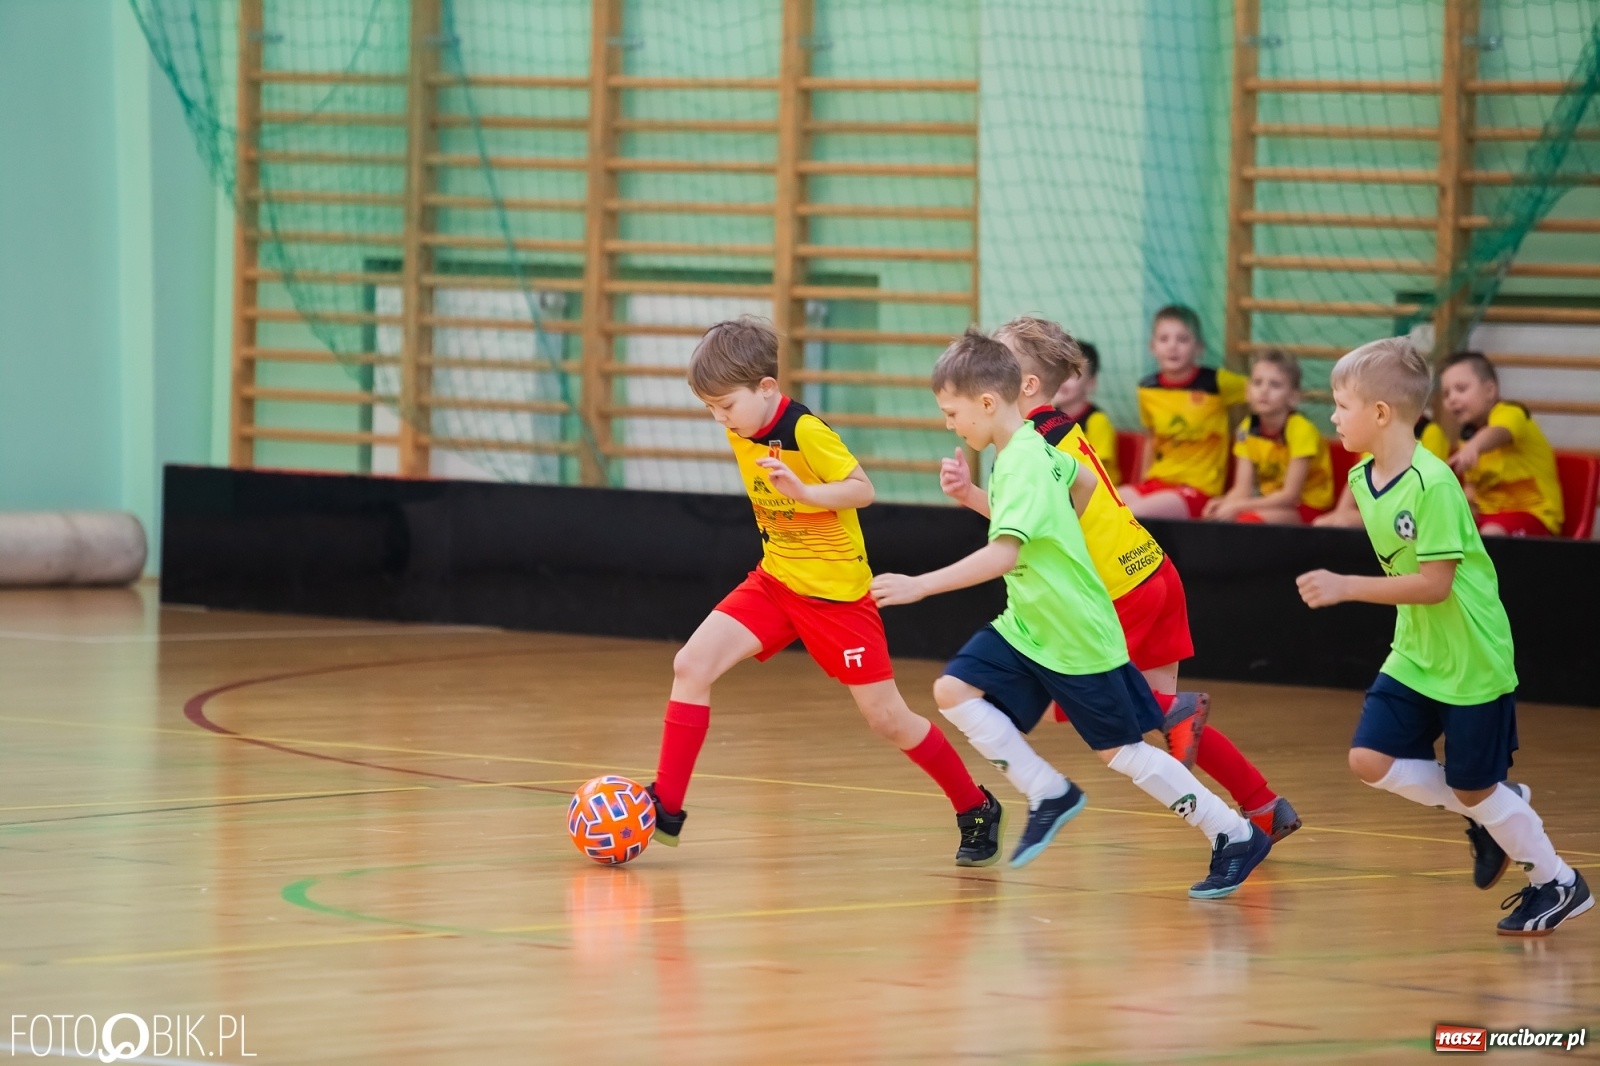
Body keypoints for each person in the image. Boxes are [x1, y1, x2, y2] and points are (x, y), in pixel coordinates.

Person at [873, 327, 1272, 898]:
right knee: (953, 691)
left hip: (1076, 628)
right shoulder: (1034, 447)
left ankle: (1231, 832)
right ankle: (1048, 790)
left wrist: (919, 586)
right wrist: (1047, 533)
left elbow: (1006, 549)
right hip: (1031, 623)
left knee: (1124, 752)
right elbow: (1083, 486)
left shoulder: (1026, 457)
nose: (948, 425)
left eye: (950, 412)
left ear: (994, 398)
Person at [648, 316, 1005, 865]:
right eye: (710, 409)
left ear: (767, 389)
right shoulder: (741, 426)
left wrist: (804, 490)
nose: (719, 419)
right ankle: (665, 808)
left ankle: (974, 805)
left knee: (887, 719)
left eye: (725, 406)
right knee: (690, 665)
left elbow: (863, 489)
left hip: (838, 600)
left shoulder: (804, 431)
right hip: (775, 582)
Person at [1297, 336, 1590, 935]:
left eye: (1341, 403)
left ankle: (1556, 880)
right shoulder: (1361, 478)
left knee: (1473, 786)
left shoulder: (1433, 485)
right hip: (1415, 651)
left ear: (1380, 413)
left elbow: (1433, 584)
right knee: (1369, 759)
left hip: (1470, 657)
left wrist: (1345, 586)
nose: (1332, 415)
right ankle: (1502, 808)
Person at [1119, 305, 1247, 520]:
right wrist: (1141, 483)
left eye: (1183, 339)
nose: (1172, 347)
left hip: (1198, 489)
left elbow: (1265, 394)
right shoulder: (1147, 389)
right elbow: (1151, 439)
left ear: (1198, 348)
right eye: (1164, 339)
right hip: (1157, 482)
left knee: (1129, 516)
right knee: (1095, 504)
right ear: (1153, 347)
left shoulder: (1217, 382)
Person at [1439, 350, 1564, 537]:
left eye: (1461, 389)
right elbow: (1474, 485)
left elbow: (1499, 432)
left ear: (1490, 390)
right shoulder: (1467, 434)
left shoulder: (1512, 412)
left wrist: (1475, 446)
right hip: (1489, 515)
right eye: (1446, 394)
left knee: (1491, 534)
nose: (1452, 399)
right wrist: (1467, 503)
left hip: (1534, 514)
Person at [1204, 349, 1334, 525]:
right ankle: (1159, 554)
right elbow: (1242, 489)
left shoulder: (1301, 430)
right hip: (1270, 502)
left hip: (1306, 507)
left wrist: (1238, 507)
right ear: (1248, 391)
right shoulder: (1246, 428)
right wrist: (1225, 503)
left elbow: (1290, 496)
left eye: (1275, 385)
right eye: (1257, 383)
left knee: (1246, 522)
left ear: (1293, 397)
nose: (1264, 391)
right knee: (1214, 519)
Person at [1049, 339, 1121, 484]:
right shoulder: (1047, 418)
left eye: (1073, 374)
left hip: (1096, 495)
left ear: (1091, 383)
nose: (1063, 380)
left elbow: (1095, 474)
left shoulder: (1097, 421)